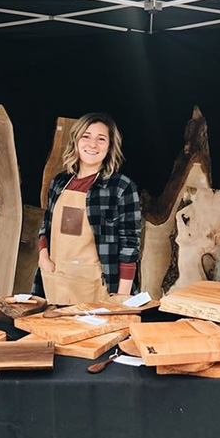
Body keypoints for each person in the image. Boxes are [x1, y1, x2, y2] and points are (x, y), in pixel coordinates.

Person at [37, 112, 141, 304]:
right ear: (75, 141)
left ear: (110, 147)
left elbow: (130, 244)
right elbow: (46, 225)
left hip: (97, 287)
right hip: (56, 280)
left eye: (101, 139)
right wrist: (43, 257)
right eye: (86, 136)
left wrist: (122, 296)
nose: (92, 144)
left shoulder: (121, 187)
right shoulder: (59, 182)